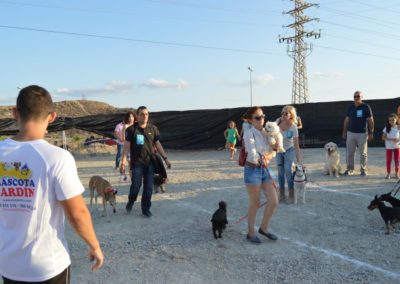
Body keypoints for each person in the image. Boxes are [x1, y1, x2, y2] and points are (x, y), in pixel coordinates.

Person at [0, 85, 103, 283]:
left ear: (15, 113)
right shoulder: (57, 158)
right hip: (46, 266)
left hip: (8, 264)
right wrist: (94, 245)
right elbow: (77, 213)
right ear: (52, 116)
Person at [120, 106, 171, 217]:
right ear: (137, 116)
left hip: (150, 163)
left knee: (148, 188)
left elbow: (158, 144)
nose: (145, 116)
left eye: (147, 114)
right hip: (136, 163)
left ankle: (145, 209)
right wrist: (123, 162)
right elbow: (126, 147)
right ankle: (131, 202)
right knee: (135, 186)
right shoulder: (131, 130)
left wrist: (165, 158)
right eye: (142, 114)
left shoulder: (153, 129)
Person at [243, 106, 279, 244]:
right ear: (250, 120)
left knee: (274, 201)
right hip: (252, 170)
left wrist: (269, 154)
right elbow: (252, 157)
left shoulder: (267, 131)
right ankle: (250, 233)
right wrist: (269, 155)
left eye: (263, 116)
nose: (261, 120)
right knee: (255, 203)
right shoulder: (248, 133)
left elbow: (275, 151)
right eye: (257, 118)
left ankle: (263, 228)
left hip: (265, 169)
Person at [342, 91, 374, 176]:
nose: (356, 98)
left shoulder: (366, 107)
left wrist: (371, 132)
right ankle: (350, 169)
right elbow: (346, 120)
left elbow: (370, 120)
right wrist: (344, 132)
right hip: (351, 133)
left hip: (362, 134)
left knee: (363, 153)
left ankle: (363, 169)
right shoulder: (350, 107)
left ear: (362, 97)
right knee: (350, 152)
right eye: (355, 96)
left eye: (358, 96)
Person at [276, 105, 302, 203]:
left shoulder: (293, 127)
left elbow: (296, 145)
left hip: (289, 149)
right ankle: (281, 193)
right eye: (282, 113)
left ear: (291, 115)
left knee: (288, 170)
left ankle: (291, 192)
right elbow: (271, 134)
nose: (283, 115)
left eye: (286, 113)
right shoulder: (277, 122)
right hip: (279, 150)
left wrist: (299, 161)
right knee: (280, 171)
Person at [382, 113, 400, 179]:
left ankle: (397, 173)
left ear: (396, 119)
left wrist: (398, 140)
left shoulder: (398, 127)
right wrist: (392, 139)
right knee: (388, 160)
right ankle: (388, 173)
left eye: (393, 120)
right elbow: (383, 137)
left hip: (397, 147)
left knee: (397, 160)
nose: (391, 121)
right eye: (390, 120)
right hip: (389, 147)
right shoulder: (386, 128)